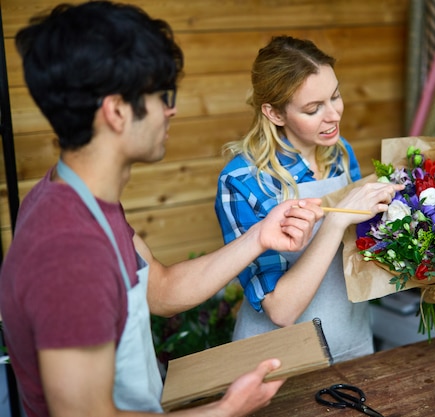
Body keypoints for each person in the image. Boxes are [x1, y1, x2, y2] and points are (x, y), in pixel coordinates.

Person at [0, 3, 325, 417]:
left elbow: (161, 289)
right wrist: (225, 411)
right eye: (162, 96)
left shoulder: (79, 198)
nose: (171, 110)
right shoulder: (68, 250)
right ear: (117, 111)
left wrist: (260, 237)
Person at [215, 36, 404, 363]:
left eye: (335, 96)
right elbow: (280, 310)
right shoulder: (242, 182)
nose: (333, 116)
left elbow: (359, 249)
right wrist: (336, 221)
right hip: (278, 358)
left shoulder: (340, 152)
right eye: (313, 109)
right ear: (274, 113)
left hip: (351, 338)